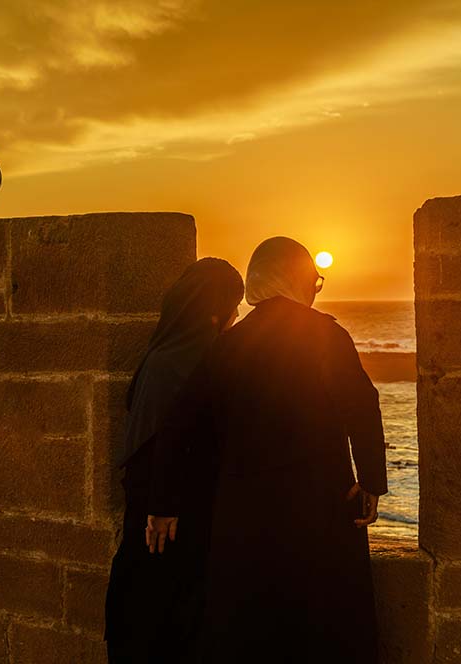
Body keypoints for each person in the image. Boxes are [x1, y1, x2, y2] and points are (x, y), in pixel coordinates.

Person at [148, 236, 388, 663]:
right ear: (296, 279)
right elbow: (362, 405)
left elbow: (181, 422)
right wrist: (371, 481)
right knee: (324, 629)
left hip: (245, 515)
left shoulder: (230, 344)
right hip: (320, 508)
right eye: (314, 283)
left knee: (251, 633)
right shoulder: (326, 335)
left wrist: (164, 503)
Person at [105, 257, 245, 664]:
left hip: (149, 511)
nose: (236, 316)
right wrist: (165, 506)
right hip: (174, 518)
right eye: (233, 306)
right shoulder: (200, 360)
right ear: (216, 309)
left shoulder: (160, 355)